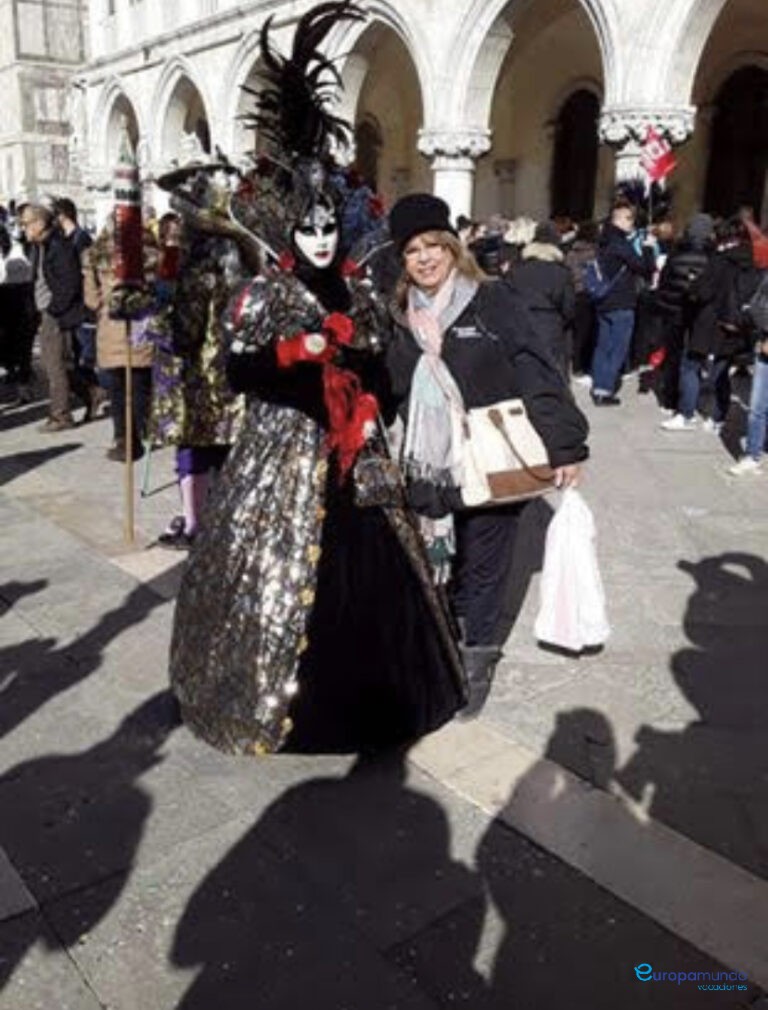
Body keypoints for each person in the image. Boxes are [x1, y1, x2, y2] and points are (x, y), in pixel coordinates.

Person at [168, 1, 465, 756]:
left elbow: (377, 360)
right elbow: (238, 368)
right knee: (284, 582)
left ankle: (390, 700)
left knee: (374, 579)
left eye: (331, 226)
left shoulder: (362, 291)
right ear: (288, 230)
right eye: (310, 228)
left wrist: (365, 390)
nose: (323, 238)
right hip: (284, 458)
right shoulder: (264, 293)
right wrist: (293, 357)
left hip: (356, 459)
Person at [384, 192, 589, 717]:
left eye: (434, 245)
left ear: (453, 248)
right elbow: (387, 386)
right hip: (429, 463)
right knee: (438, 560)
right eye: (412, 250)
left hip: (493, 453)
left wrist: (564, 443)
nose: (425, 257)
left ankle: (475, 666)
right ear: (401, 261)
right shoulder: (400, 315)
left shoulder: (492, 300)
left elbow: (536, 368)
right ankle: (443, 648)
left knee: (485, 564)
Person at [662, 217, 760, 434]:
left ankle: (686, 414)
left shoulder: (720, 260)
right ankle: (718, 417)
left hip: (708, 321)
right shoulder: (752, 262)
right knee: (722, 370)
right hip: (735, 323)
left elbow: (702, 291)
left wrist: (692, 285)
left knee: (690, 366)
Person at [20, 202, 98, 430]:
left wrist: (53, 310)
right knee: (55, 364)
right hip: (45, 311)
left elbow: (70, 283)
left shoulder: (58, 246)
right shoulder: (40, 246)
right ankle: (92, 391)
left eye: (26, 224)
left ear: (39, 223)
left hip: (56, 313)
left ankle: (61, 415)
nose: (23, 229)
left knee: (54, 366)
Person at [83, 217, 155, 459]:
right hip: (141, 327)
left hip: (110, 326)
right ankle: (142, 432)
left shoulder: (97, 256)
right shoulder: (150, 253)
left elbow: (91, 299)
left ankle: (124, 438)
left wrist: (106, 302)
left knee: (117, 390)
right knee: (139, 385)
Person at [589, 202, 656, 406]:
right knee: (617, 347)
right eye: (628, 218)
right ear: (617, 219)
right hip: (621, 302)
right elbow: (644, 268)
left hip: (603, 299)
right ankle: (605, 389)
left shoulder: (603, 241)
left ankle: (598, 384)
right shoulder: (620, 243)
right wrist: (648, 247)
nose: (631, 223)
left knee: (603, 346)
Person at [652, 214, 714, 415]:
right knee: (694, 359)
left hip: (674, 312)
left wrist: (662, 306)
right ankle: (688, 401)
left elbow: (664, 283)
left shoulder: (675, 253)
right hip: (699, 316)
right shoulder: (712, 257)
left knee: (673, 355)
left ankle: (669, 399)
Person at [508, 220, 575, 376]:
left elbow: (506, 299)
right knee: (551, 377)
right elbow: (569, 308)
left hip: (520, 326)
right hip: (550, 328)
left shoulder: (517, 269)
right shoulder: (561, 272)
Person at [564, 220, 599, 377]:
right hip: (591, 294)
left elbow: (568, 274)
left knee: (578, 332)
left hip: (575, 294)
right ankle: (584, 365)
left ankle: (576, 364)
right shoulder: (595, 253)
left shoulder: (571, 253)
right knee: (590, 331)